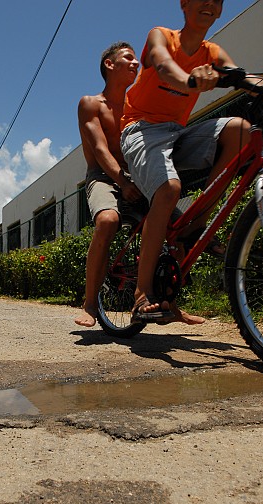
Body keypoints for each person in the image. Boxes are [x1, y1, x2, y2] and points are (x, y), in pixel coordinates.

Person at [120, 0, 263, 323]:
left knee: (241, 132)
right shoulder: (161, 36)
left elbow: (245, 79)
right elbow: (164, 66)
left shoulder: (214, 53)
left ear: (220, 10)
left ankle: (194, 226)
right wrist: (191, 80)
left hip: (177, 133)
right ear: (184, 4)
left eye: (216, 0)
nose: (208, 3)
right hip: (140, 128)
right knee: (169, 189)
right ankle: (142, 293)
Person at [75, 41, 204, 328]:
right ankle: (90, 303)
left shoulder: (138, 102)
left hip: (138, 177)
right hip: (105, 178)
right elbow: (99, 149)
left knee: (182, 233)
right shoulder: (91, 103)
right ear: (110, 64)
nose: (136, 64)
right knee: (107, 221)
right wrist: (122, 180)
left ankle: (170, 303)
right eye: (128, 59)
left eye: (137, 60)